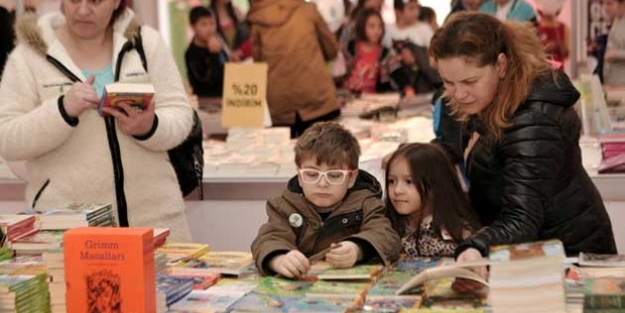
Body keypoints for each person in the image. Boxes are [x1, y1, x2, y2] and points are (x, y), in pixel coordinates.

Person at [429, 12, 617, 289]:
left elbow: (522, 216)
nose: (458, 94)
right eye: (448, 83)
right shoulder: (492, 99)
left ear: (501, 65)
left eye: (469, 82)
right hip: (535, 251)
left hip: (570, 257)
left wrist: (476, 246)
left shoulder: (532, 117)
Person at [0, 0, 194, 241]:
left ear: (116, 2)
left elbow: (181, 115)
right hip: (70, 231)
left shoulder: (145, 43)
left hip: (156, 222)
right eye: (74, 0)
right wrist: (61, 111)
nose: (82, 10)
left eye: (95, 1)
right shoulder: (29, 56)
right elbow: (6, 137)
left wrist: (150, 127)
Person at [251, 122, 401, 278]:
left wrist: (358, 248)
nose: (322, 184)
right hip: (300, 290)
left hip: (350, 291)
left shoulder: (366, 203)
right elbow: (268, 239)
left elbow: (387, 236)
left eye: (334, 175)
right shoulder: (285, 206)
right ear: (300, 176)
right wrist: (279, 258)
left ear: (351, 178)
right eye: (312, 174)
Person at [248, 0, 341, 138]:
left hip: (280, 102)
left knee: (285, 155)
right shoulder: (307, 10)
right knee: (325, 152)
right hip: (316, 96)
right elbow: (331, 49)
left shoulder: (258, 19)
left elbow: (258, 63)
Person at [385, 143, 480, 257]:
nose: (397, 190)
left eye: (409, 181)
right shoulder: (385, 224)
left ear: (434, 184)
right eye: (391, 181)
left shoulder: (459, 232)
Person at [343, 9, 397, 94]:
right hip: (349, 99)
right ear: (361, 27)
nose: (377, 31)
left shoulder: (386, 53)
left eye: (380, 26)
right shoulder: (350, 48)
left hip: (375, 101)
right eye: (371, 26)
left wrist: (408, 89)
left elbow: (399, 74)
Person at [185, 6, 228, 97]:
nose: (209, 28)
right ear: (193, 27)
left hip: (224, 98)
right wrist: (214, 55)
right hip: (205, 102)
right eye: (204, 24)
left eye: (212, 23)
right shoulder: (191, 53)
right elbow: (206, 82)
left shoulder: (219, 44)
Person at [603, 0, 625, 85]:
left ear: (622, 3)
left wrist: (616, 54)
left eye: (610, 4)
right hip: (612, 84)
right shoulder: (617, 21)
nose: (606, 8)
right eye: (604, 4)